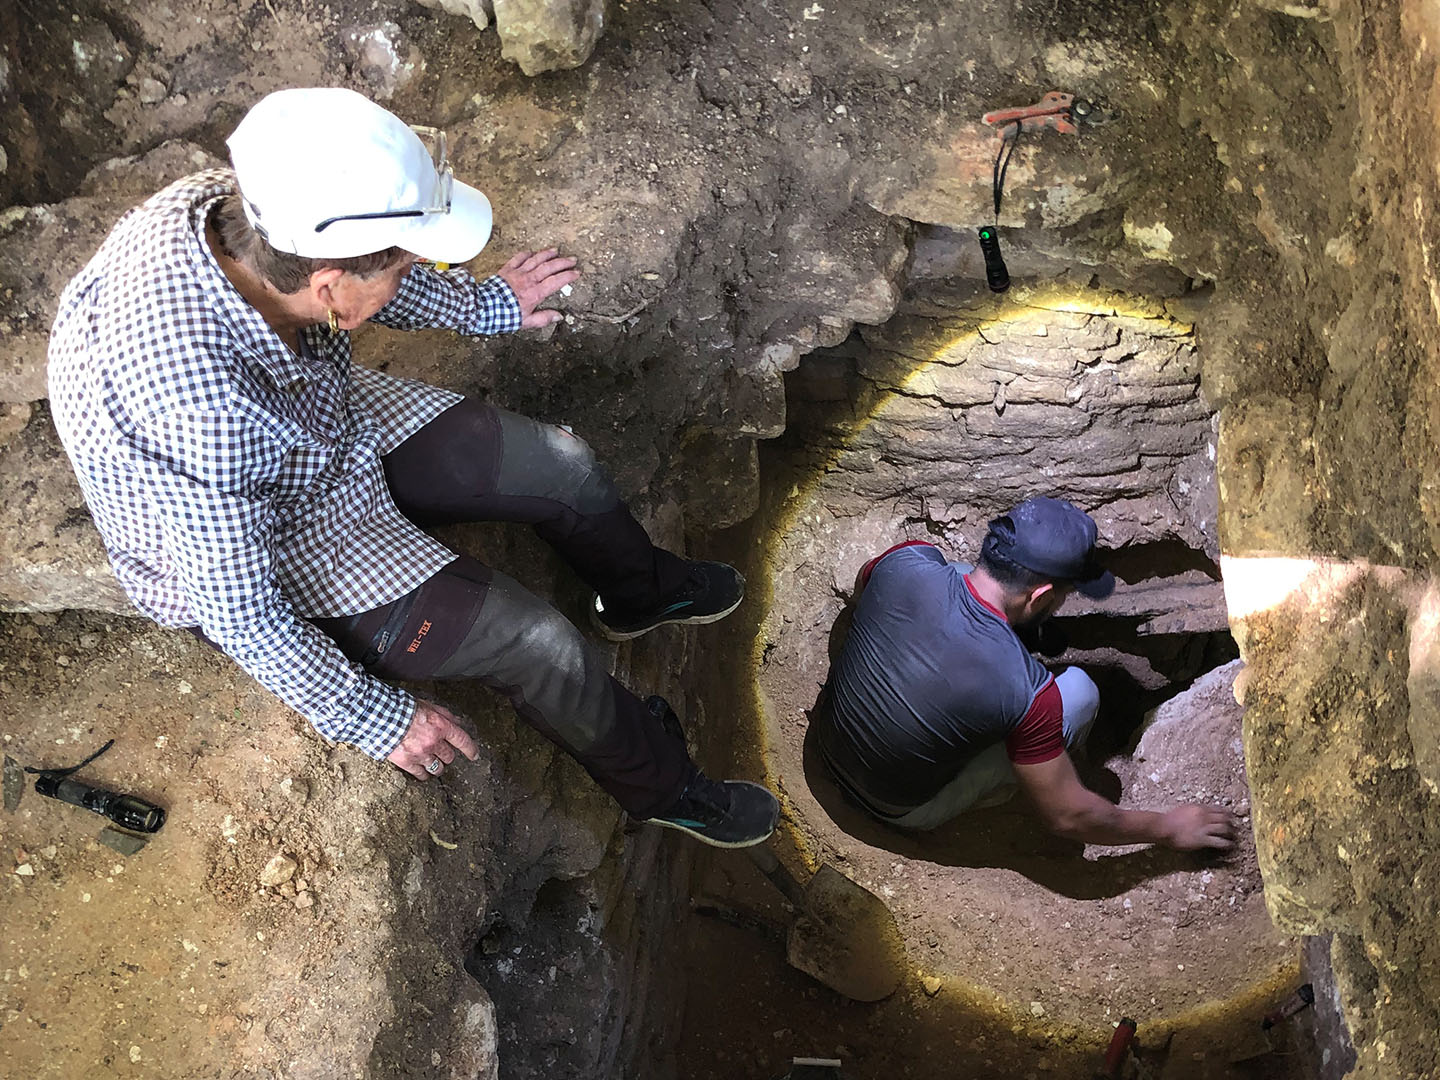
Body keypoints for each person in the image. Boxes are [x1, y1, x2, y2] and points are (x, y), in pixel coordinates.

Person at [47, 87, 778, 849]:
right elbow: (238, 611)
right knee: (541, 644)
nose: (415, 269)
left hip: (311, 413)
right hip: (263, 530)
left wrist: (486, 306)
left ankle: (641, 595)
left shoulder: (233, 209)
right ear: (330, 289)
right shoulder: (195, 410)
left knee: (564, 464)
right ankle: (665, 788)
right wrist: (371, 716)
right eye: (403, 263)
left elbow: (367, 271)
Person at [813, 496, 1237, 850]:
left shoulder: (907, 559)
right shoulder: (1028, 692)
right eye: (1063, 597)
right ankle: (1001, 785)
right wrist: (1169, 827)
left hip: (826, 742)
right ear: (1041, 596)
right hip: (894, 804)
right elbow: (1068, 816)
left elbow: (863, 590)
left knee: (955, 573)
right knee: (1079, 694)